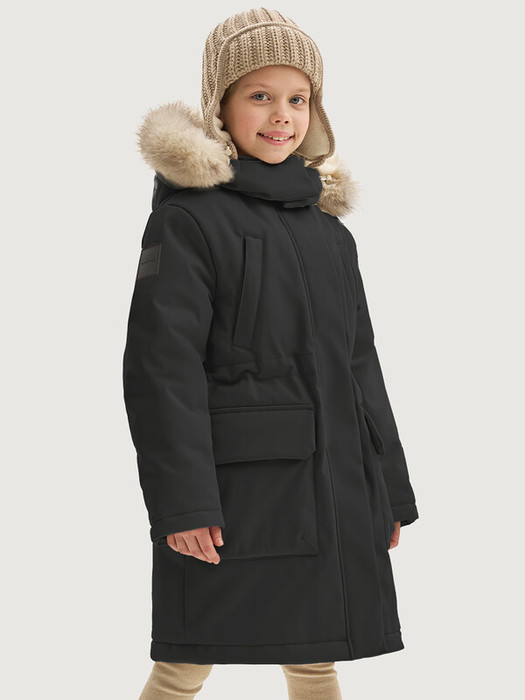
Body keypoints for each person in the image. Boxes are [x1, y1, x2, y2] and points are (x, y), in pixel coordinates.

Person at [122, 7, 419, 699]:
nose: (282, 115)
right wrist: (181, 502)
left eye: (298, 98)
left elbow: (359, 364)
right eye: (260, 95)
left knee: (316, 654)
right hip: (239, 491)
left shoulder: (329, 233)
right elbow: (161, 369)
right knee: (188, 661)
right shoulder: (188, 220)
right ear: (219, 107)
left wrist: (386, 487)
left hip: (331, 481)